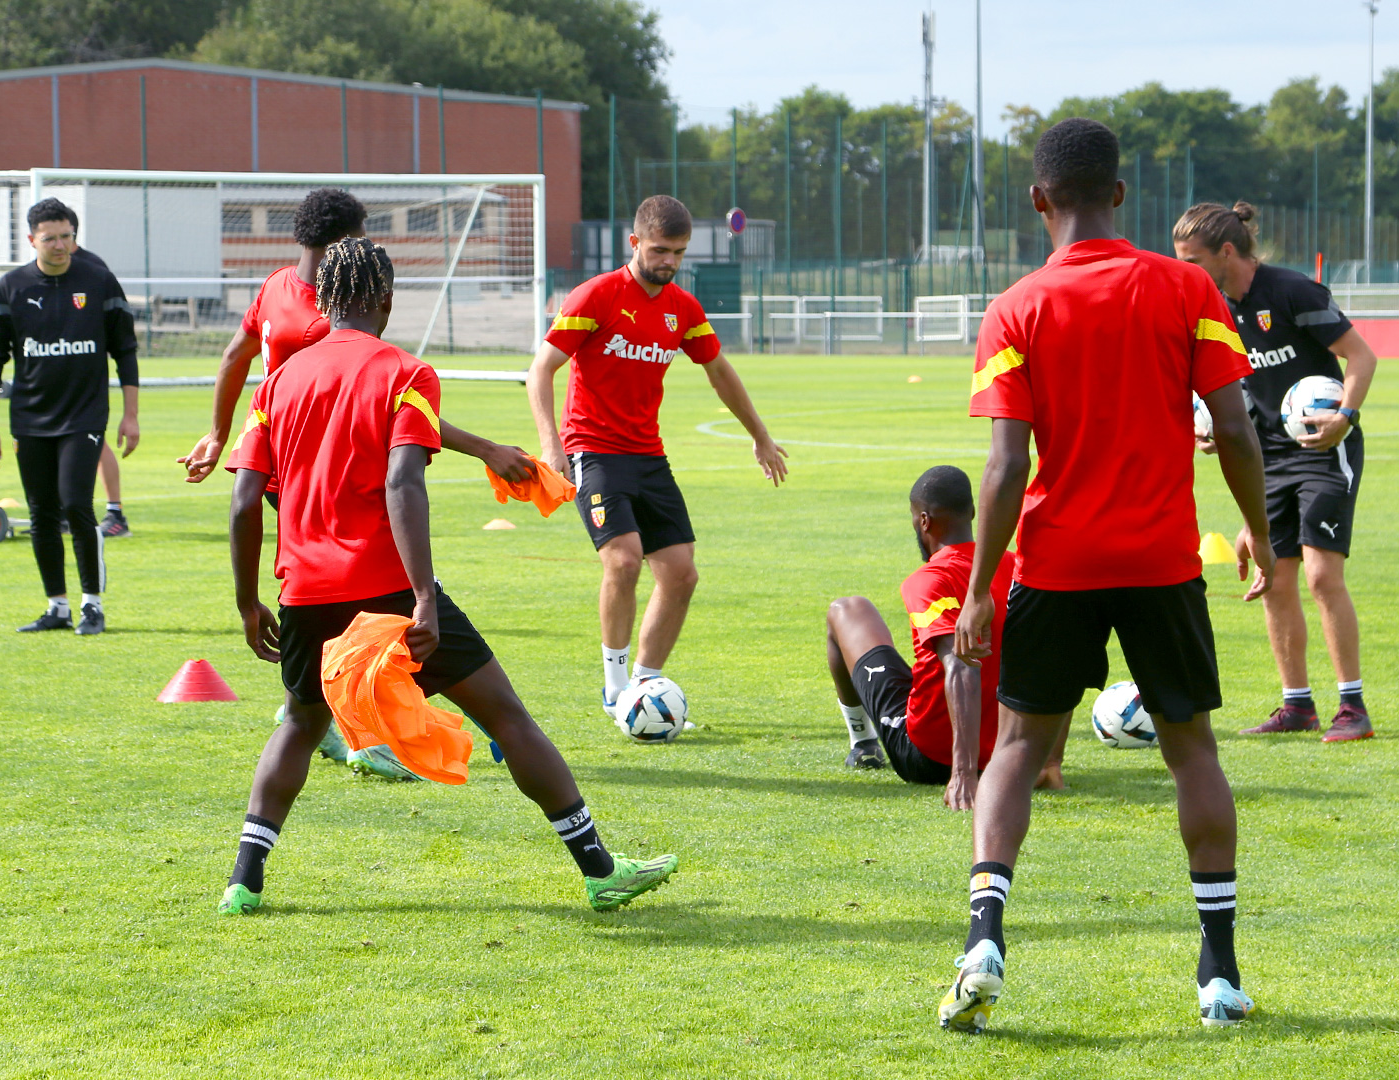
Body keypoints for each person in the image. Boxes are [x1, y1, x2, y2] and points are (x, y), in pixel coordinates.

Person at [219, 236, 678, 916]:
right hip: (386, 587)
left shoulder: (280, 380)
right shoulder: (406, 372)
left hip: (304, 591)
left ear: (326, 299)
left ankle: (243, 883)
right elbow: (404, 482)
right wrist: (425, 598)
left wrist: (247, 600)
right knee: (507, 716)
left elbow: (243, 498)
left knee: (299, 722)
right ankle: (601, 870)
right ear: (386, 300)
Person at [938, 119, 1276, 1034]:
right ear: (1120, 196)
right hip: (1163, 560)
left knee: (1015, 751)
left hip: (1058, 562)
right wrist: (1260, 536)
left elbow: (1005, 468)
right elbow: (1237, 429)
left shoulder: (1015, 307)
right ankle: (1218, 973)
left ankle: (984, 936)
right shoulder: (1187, 287)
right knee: (1192, 752)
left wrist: (978, 592)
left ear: (1039, 198)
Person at [180, 187, 534, 776]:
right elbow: (386, 406)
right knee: (388, 598)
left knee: (335, 610)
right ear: (348, 246)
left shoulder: (273, 289)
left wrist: (222, 437)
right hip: (331, 473)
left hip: (283, 468)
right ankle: (373, 729)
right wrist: (483, 447)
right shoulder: (331, 318)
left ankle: (326, 716)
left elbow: (234, 357)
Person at [528, 195, 788, 722]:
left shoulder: (682, 309)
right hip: (593, 450)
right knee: (623, 562)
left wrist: (759, 435)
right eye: (660, 250)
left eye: (679, 252)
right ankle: (614, 688)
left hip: (648, 455)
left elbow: (719, 372)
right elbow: (541, 370)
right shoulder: (595, 296)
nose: (669, 261)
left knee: (681, 574)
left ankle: (644, 690)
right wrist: (551, 444)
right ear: (635, 243)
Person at [1173, 202, 1380, 743]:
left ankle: (1352, 707)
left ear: (1226, 252)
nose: (1184, 270)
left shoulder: (1293, 292)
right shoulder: (1214, 307)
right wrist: (1217, 432)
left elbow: (1361, 357)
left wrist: (1344, 418)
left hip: (1322, 447)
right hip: (1268, 458)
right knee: (1274, 579)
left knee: (1320, 576)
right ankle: (1297, 707)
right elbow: (1236, 386)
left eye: (1192, 260)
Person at [825, 466, 1041, 805]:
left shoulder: (930, 580)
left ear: (923, 521)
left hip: (931, 758)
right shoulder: (1017, 568)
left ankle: (863, 744)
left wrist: (963, 773)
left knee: (847, 609)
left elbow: (961, 665)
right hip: (1012, 755)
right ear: (971, 513)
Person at [0, 197, 139, 636]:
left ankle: (92, 605)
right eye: (50, 238)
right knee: (42, 513)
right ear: (32, 240)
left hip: (85, 416)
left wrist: (130, 415)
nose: (60, 245)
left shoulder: (99, 281)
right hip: (29, 418)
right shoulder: (10, 288)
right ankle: (57, 606)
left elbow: (124, 349)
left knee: (74, 504)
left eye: (67, 236)